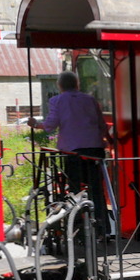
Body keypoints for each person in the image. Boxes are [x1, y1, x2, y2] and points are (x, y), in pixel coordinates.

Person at [30, 71, 114, 235]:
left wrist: (35, 124)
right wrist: (109, 141)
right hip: (95, 149)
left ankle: (77, 228)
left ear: (59, 86)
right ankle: (103, 227)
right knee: (96, 189)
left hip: (73, 151)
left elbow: (51, 125)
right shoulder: (90, 99)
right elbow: (101, 124)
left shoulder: (57, 100)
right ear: (77, 84)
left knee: (74, 190)